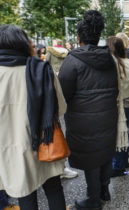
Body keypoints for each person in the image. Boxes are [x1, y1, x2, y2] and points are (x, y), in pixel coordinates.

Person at [0, 25, 67, 210]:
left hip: (10, 147)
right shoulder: (42, 69)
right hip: (45, 141)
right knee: (54, 189)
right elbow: (60, 109)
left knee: (25, 195)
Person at [58, 10, 118, 209]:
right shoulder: (109, 59)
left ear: (78, 38)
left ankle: (93, 201)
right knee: (104, 152)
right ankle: (104, 189)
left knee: (91, 158)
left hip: (84, 120)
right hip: (108, 116)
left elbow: (62, 95)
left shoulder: (72, 61)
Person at [107, 36, 129, 177]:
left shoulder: (109, 64)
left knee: (117, 133)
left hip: (115, 103)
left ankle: (118, 166)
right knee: (124, 130)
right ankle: (124, 160)